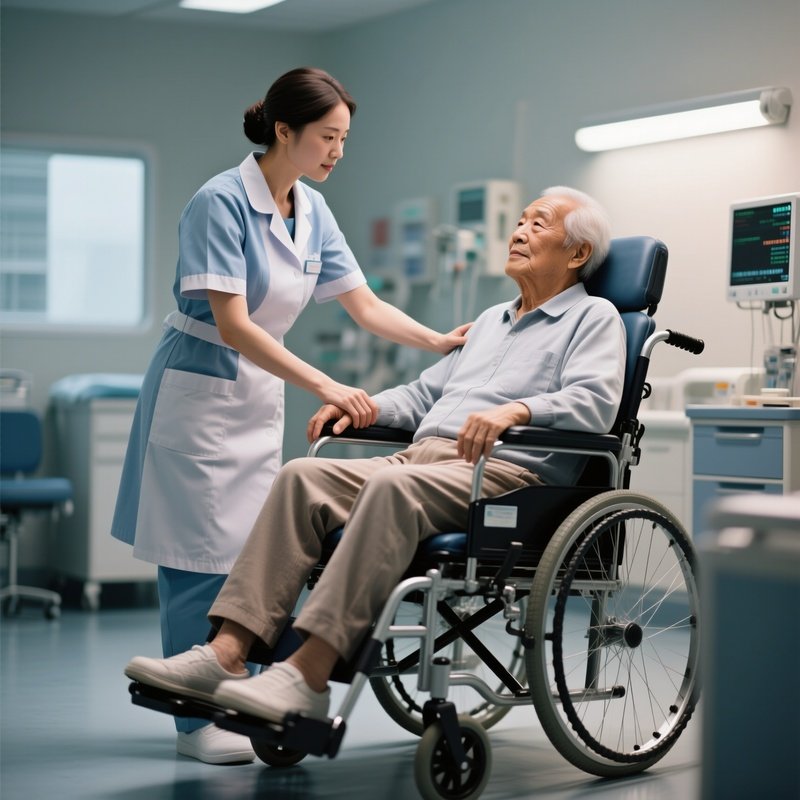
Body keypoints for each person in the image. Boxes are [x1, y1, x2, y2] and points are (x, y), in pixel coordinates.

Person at [124, 186, 626, 735]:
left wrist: (519, 410)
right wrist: (357, 407)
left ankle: (307, 677)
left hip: (509, 475)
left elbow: (595, 403)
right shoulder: (490, 321)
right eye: (522, 220)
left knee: (390, 492)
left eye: (540, 223)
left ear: (577, 254)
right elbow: (422, 396)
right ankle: (225, 651)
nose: (520, 230)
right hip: (424, 461)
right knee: (302, 478)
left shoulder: (594, 317)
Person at [111, 67, 469, 765]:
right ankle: (193, 726)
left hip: (254, 393)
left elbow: (363, 304)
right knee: (196, 554)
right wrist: (328, 385)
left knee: (249, 549)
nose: (339, 151)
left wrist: (439, 341)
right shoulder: (219, 202)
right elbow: (236, 324)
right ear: (284, 131)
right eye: (328, 137)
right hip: (201, 385)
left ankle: (238, 684)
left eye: (344, 139)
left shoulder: (311, 208)